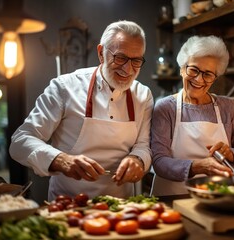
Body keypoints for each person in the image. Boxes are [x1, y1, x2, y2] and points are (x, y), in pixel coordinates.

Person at [9, 20, 154, 201]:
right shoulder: (64, 87)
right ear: (101, 53)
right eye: (120, 58)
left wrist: (138, 160)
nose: (128, 69)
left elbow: (143, 146)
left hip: (121, 209)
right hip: (69, 206)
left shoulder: (143, 95)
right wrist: (60, 160)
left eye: (136, 60)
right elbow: (20, 141)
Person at [150, 35, 234, 196]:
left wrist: (231, 155)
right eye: (193, 69)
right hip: (172, 198)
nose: (199, 79)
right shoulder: (165, 108)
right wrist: (197, 167)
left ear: (215, 77)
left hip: (216, 196)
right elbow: (159, 161)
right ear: (181, 68)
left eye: (208, 74)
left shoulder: (227, 106)